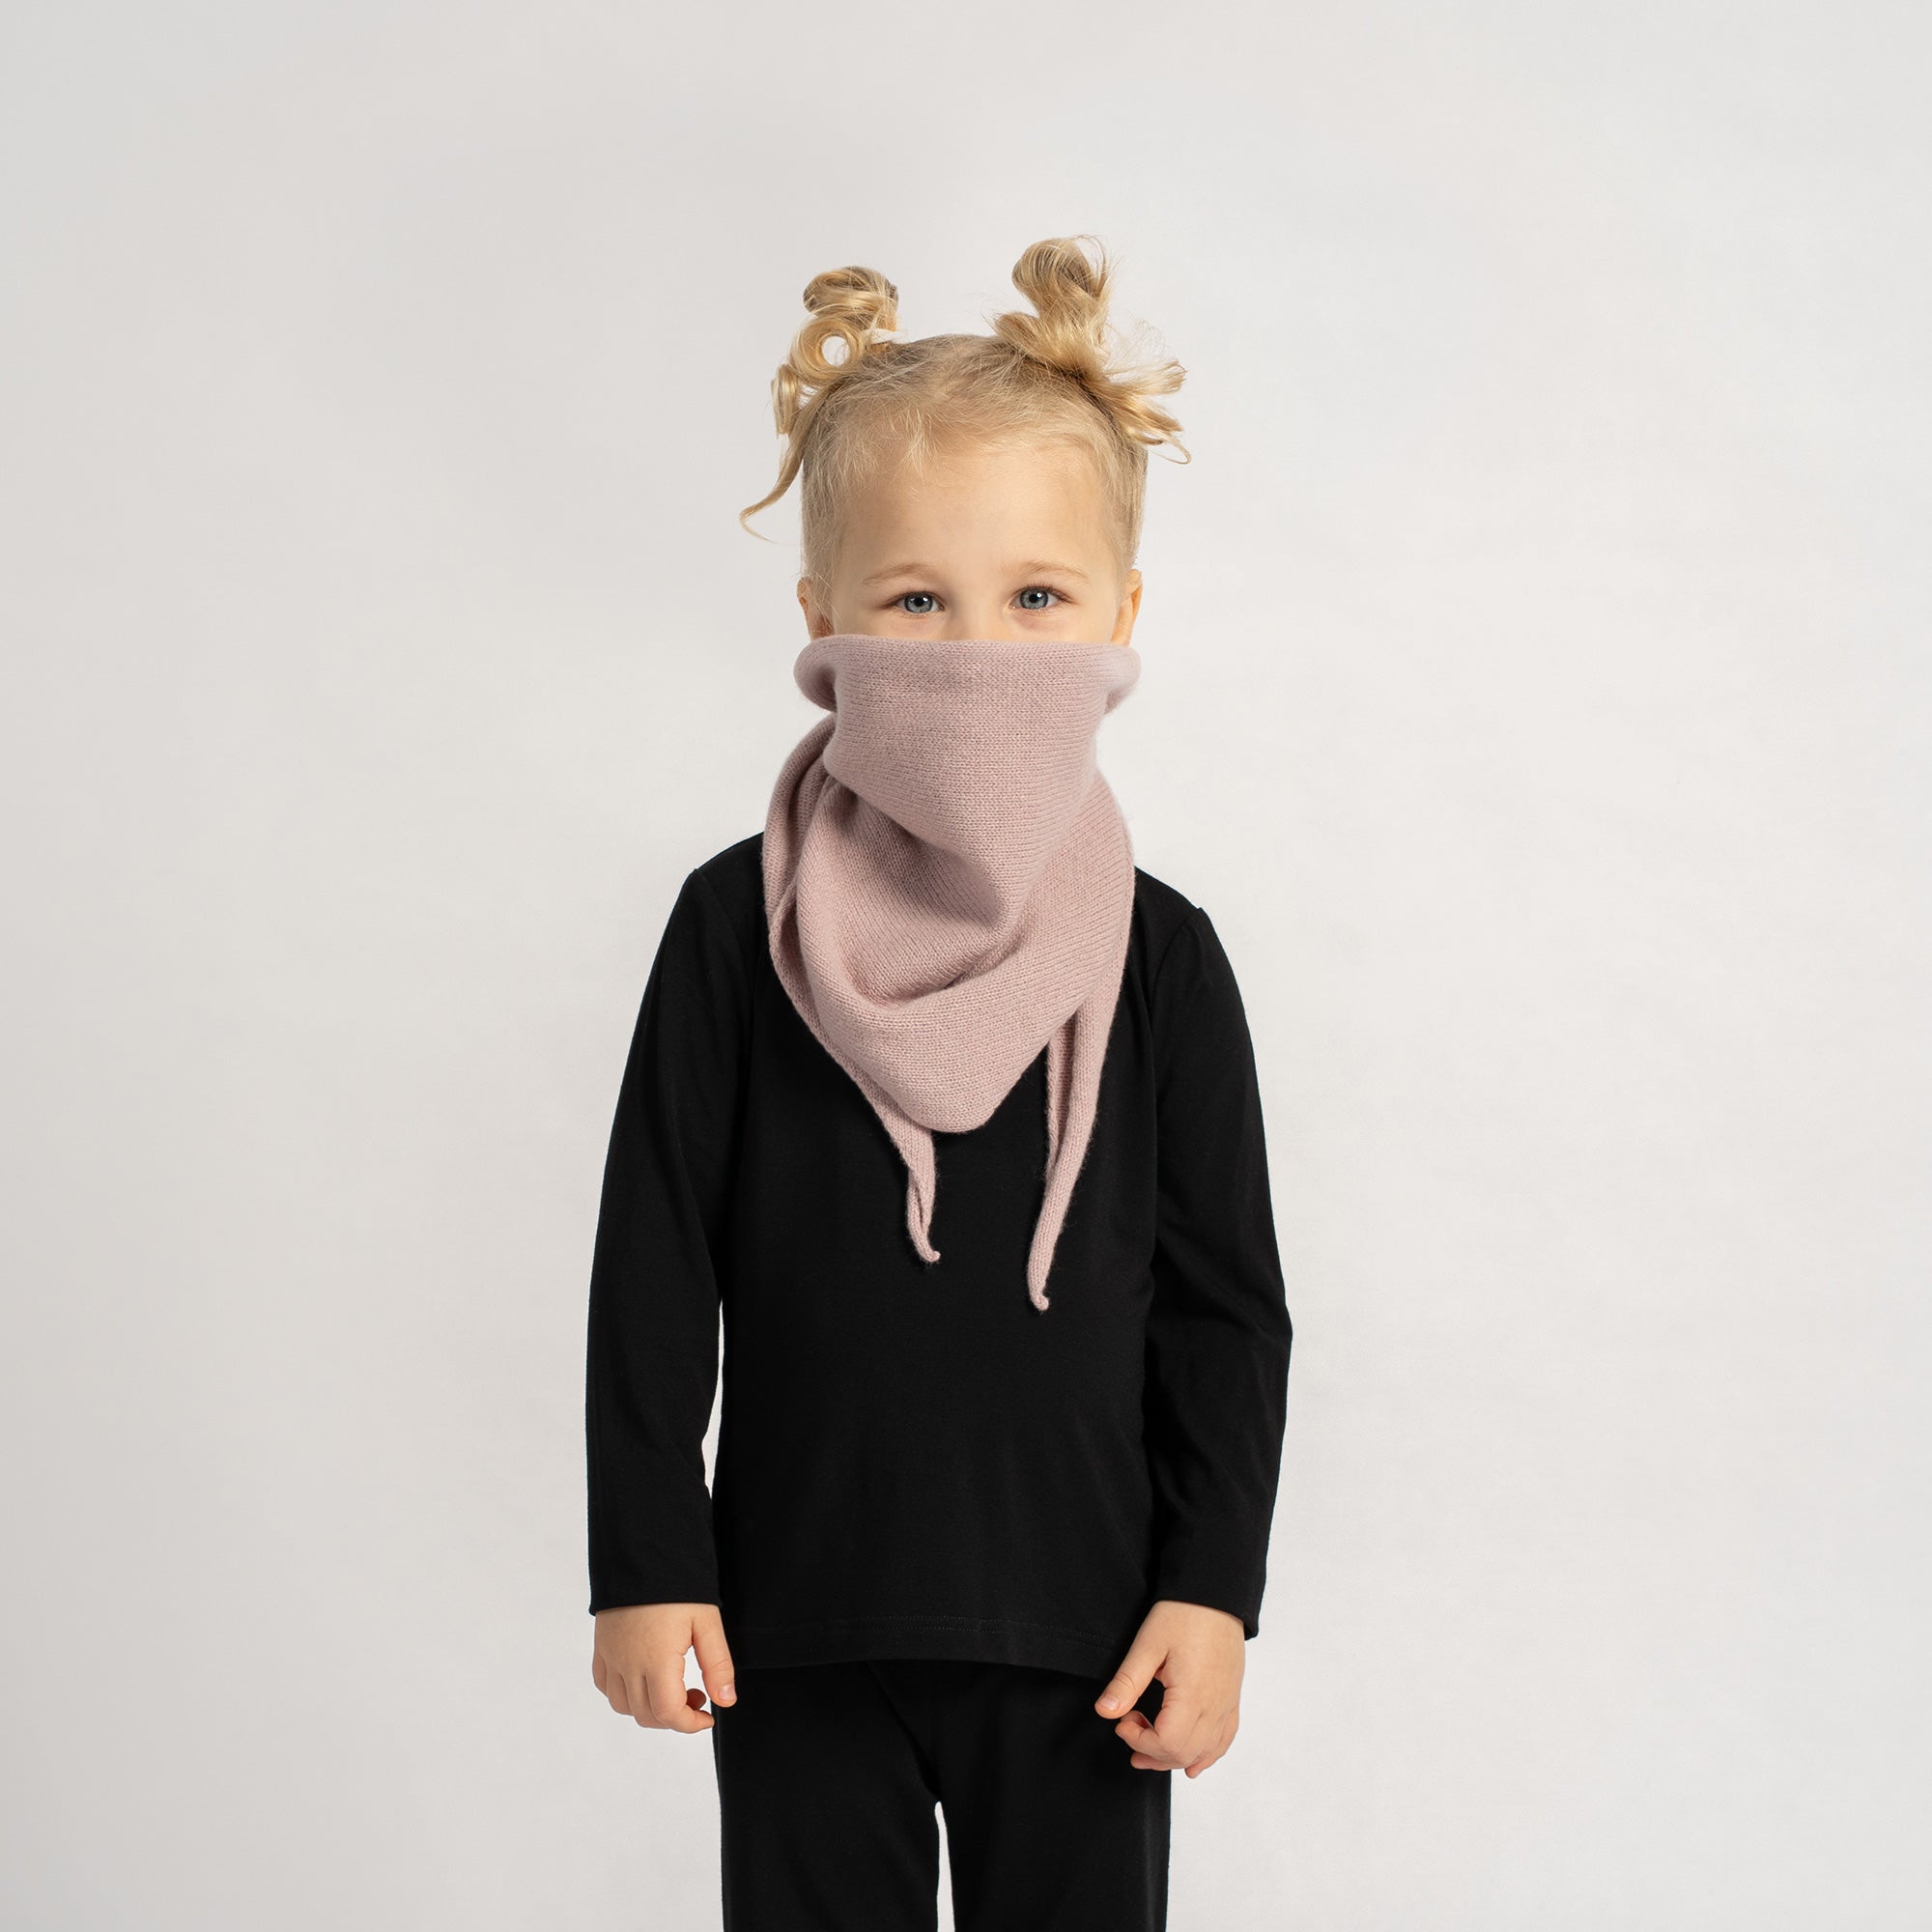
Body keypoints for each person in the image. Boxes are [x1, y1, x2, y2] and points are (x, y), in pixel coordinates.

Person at [584, 234, 1293, 1931]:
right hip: (791, 1614)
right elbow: (654, 1260)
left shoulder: (1164, 955)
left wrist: (1213, 1591)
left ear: (1121, 616)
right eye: (917, 601)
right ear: (822, 618)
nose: (978, 651)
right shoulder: (734, 925)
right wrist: (647, 1564)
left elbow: (1226, 1308)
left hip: (1091, 1633)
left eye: (1037, 599)